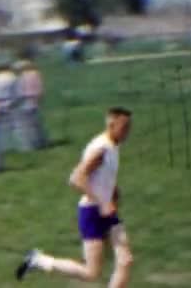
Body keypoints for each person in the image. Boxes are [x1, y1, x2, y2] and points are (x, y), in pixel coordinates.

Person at [16, 107, 134, 287]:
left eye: (129, 127)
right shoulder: (101, 148)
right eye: (124, 127)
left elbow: (99, 177)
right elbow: (76, 178)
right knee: (91, 273)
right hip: (92, 212)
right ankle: (38, 260)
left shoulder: (112, 146)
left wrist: (113, 190)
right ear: (111, 124)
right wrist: (102, 201)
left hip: (106, 211)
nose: (127, 132)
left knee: (125, 261)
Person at [13, 59, 47, 151]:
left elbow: (19, 90)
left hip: (25, 100)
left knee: (27, 125)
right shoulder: (36, 74)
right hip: (35, 99)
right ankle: (42, 141)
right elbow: (39, 87)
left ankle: (31, 144)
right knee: (37, 123)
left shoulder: (21, 77)